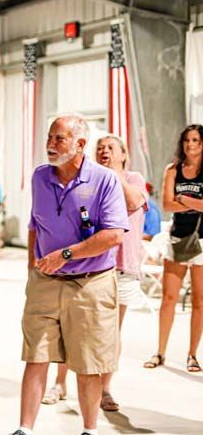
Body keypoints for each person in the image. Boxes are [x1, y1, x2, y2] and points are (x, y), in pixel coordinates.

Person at [11, 114, 128, 435]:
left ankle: (89, 430)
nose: (50, 144)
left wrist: (65, 255)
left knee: (89, 364)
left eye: (59, 138)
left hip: (91, 284)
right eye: (49, 137)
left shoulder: (104, 180)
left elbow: (114, 235)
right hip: (44, 282)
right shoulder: (40, 178)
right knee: (35, 356)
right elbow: (35, 224)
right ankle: (25, 429)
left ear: (80, 144)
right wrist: (32, 269)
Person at [41, 134, 147, 413]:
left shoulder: (132, 179)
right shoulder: (91, 180)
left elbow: (135, 202)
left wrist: (115, 175)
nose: (104, 151)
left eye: (111, 148)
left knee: (110, 334)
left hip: (124, 266)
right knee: (70, 327)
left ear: (124, 154)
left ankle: (105, 389)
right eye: (100, 148)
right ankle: (60, 382)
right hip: (93, 266)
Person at [144, 124, 203, 373]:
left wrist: (184, 199)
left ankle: (192, 354)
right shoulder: (173, 170)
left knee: (200, 301)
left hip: (202, 242)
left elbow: (179, 201)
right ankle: (160, 351)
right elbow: (167, 204)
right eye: (187, 140)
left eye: (196, 140)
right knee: (168, 299)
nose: (191, 145)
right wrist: (195, 203)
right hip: (178, 240)